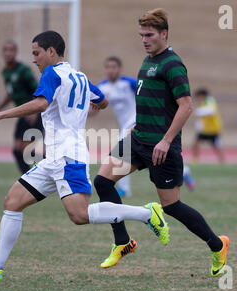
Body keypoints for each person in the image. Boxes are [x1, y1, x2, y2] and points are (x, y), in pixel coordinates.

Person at [0, 31, 170, 283]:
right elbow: (102, 101)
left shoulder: (52, 73)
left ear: (51, 52)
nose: (35, 60)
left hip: (67, 156)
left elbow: (40, 104)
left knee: (79, 215)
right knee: (13, 201)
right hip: (55, 158)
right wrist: (88, 106)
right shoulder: (79, 76)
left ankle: (147, 214)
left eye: (37, 53)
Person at [94, 9, 229, 276]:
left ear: (164, 34)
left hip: (161, 147)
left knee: (171, 207)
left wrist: (166, 141)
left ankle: (217, 244)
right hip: (138, 139)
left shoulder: (172, 64)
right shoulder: (148, 60)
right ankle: (122, 242)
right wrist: (136, 124)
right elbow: (150, 100)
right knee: (102, 181)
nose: (144, 39)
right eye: (141, 35)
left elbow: (186, 106)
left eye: (149, 35)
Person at [0, 40, 44, 174]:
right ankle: (28, 179)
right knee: (17, 150)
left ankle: (53, 171)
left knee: (30, 151)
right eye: (6, 50)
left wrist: (34, 112)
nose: (8, 53)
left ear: (15, 53)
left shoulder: (23, 70)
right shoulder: (5, 72)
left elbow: (38, 89)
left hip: (32, 113)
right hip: (22, 115)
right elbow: (11, 93)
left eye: (11, 50)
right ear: (2, 53)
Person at [95, 56, 137, 198]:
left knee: (121, 151)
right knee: (151, 157)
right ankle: (183, 171)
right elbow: (94, 107)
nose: (110, 70)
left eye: (114, 67)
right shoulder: (103, 87)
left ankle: (124, 189)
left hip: (137, 121)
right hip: (124, 125)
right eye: (108, 67)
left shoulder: (129, 83)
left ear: (120, 69)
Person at [192, 88, 224, 163]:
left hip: (213, 129)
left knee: (217, 147)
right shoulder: (204, 103)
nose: (197, 99)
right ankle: (196, 160)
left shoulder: (209, 101)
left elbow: (210, 111)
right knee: (195, 143)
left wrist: (197, 112)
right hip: (205, 130)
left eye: (198, 97)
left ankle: (222, 161)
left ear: (201, 95)